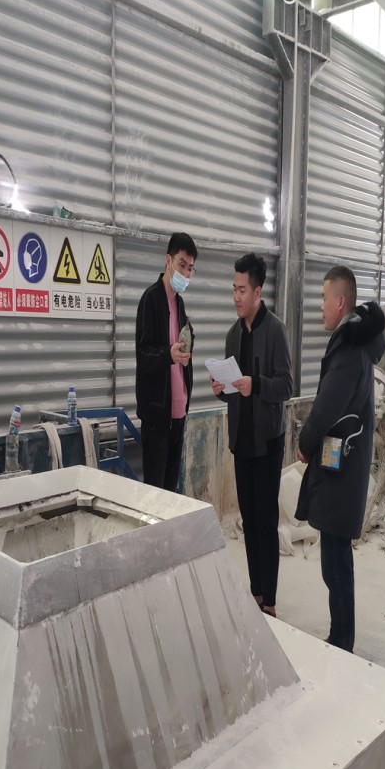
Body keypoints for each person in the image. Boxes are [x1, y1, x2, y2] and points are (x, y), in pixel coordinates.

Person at [295, 265, 385, 653]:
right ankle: (340, 636)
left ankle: (342, 641)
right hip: (344, 464)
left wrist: (306, 441)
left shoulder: (348, 351)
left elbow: (327, 406)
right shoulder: (355, 346)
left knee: (336, 564)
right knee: (335, 559)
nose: (320, 305)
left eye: (323, 297)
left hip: (341, 468)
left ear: (340, 302)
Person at [211, 253, 292, 617]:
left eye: (242, 290)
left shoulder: (275, 330)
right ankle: (256, 594)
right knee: (248, 519)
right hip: (241, 441)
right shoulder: (232, 335)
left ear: (258, 292)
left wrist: (254, 384)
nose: (236, 297)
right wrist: (222, 389)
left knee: (265, 521)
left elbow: (286, 385)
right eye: (234, 289)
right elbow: (234, 390)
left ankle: (270, 602)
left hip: (268, 441)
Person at [135, 232, 197, 491]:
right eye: (182, 264)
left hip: (179, 411)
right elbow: (143, 355)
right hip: (157, 415)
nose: (186, 273)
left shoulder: (180, 304)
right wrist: (168, 355)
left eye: (191, 268)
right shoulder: (150, 299)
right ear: (168, 260)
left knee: (172, 492)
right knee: (155, 492)